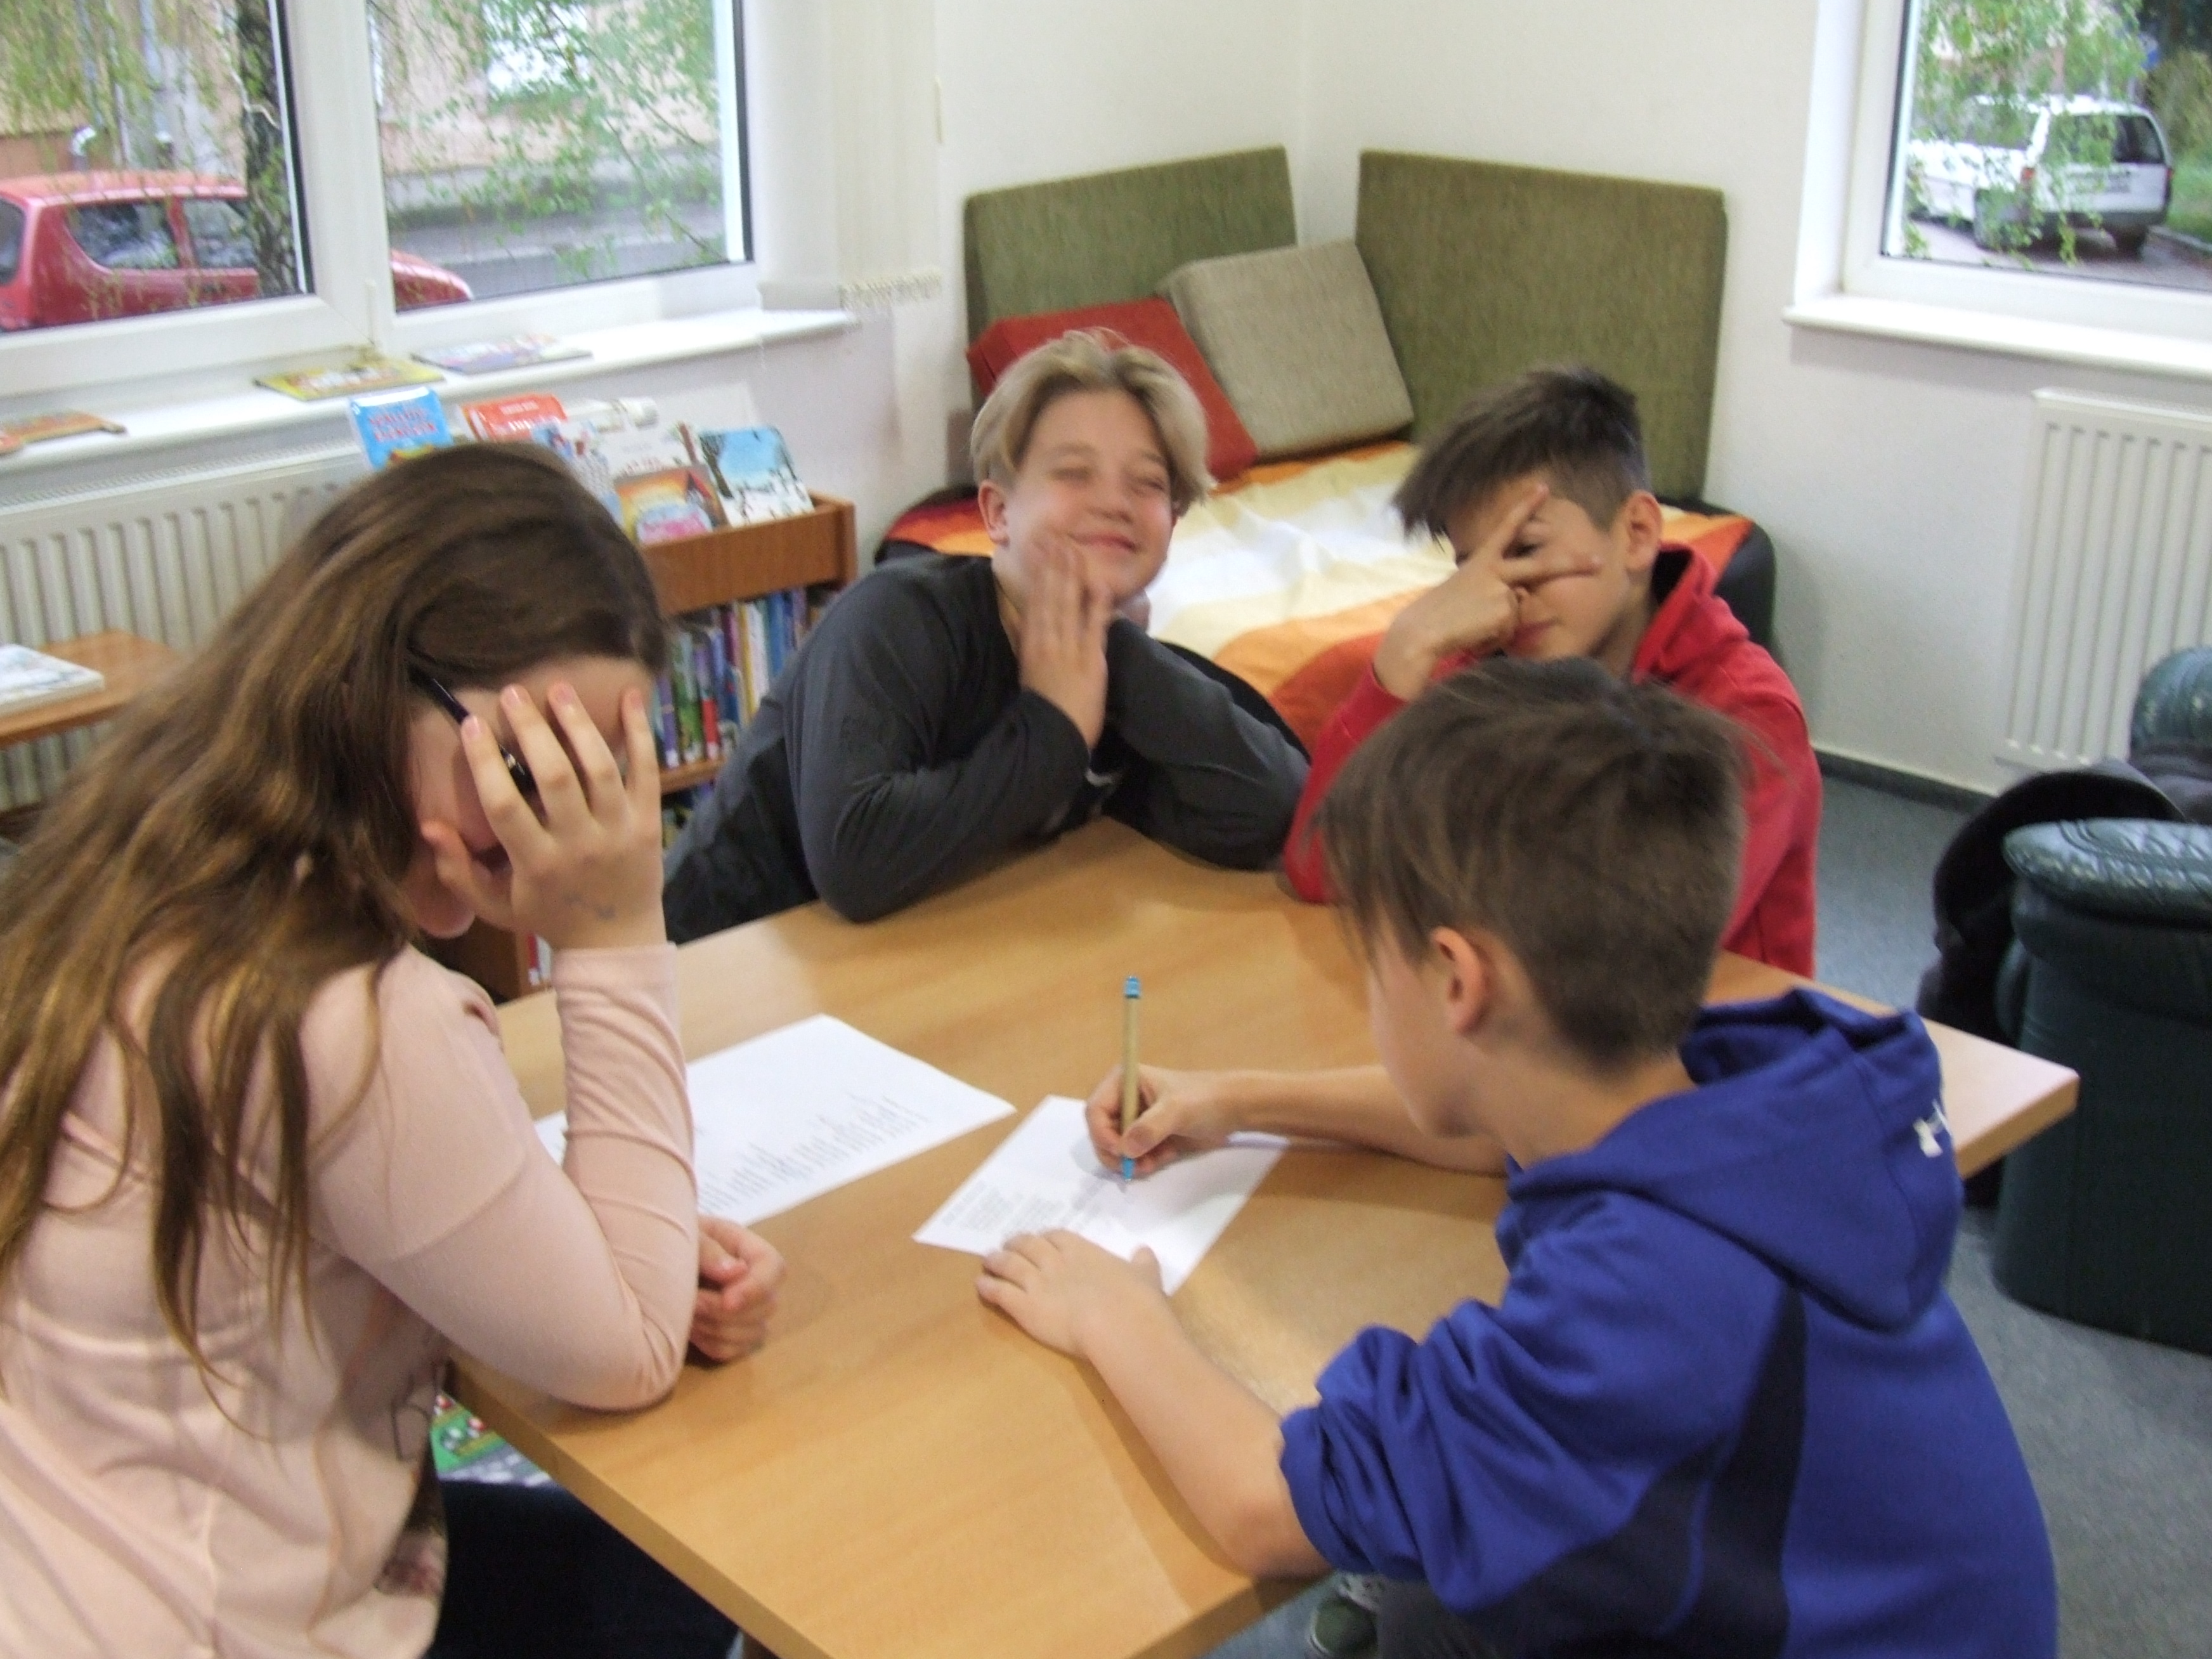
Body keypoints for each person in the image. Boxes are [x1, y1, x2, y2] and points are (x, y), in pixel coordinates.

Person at [982, 660, 2057, 1659]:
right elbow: (1498, 1128)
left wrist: (1113, 1313)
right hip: (1881, 1593)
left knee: (1437, 1596)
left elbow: (1264, 1509)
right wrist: (1241, 1100)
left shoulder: (1635, 1309)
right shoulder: (1744, 1081)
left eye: (1370, 964)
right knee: (1439, 1596)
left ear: (1458, 981)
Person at [0, 445, 783, 1658]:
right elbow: (629, 1349)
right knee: (716, 1567)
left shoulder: (138, 859)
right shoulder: (358, 1017)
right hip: (209, 1617)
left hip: (62, 1552)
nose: (563, 830)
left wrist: (580, 1244)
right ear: (377, 684)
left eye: (600, 782)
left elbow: (362, 1205)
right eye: (527, 768)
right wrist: (616, 931)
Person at [662, 330, 1309, 942]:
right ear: (998, 512)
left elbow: (1273, 810)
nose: (1115, 502)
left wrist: (1116, 648)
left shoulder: (1124, 668)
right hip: (721, 963)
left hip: (927, 956)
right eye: (1074, 472)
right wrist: (1053, 728)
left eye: (1147, 484)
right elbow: (853, 861)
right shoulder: (895, 618)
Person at [1282, 365, 1819, 978]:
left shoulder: (1747, 713)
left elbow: (1634, 956)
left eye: (1527, 550)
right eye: (1474, 567)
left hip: (1715, 1032)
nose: (1503, 590)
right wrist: (1406, 650)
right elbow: (1324, 867)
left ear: (1637, 533)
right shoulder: (1482, 665)